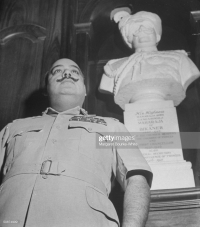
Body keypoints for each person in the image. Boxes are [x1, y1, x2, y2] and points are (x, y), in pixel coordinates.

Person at [0, 58, 152, 227]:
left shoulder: (112, 127)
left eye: (75, 72)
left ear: (85, 90)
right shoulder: (12, 128)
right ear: (46, 88)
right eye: (57, 71)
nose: (67, 74)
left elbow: (136, 178)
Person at [99, 9, 200, 110]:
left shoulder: (180, 58)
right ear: (129, 39)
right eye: (136, 31)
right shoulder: (114, 66)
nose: (142, 32)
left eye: (148, 29)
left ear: (157, 36)